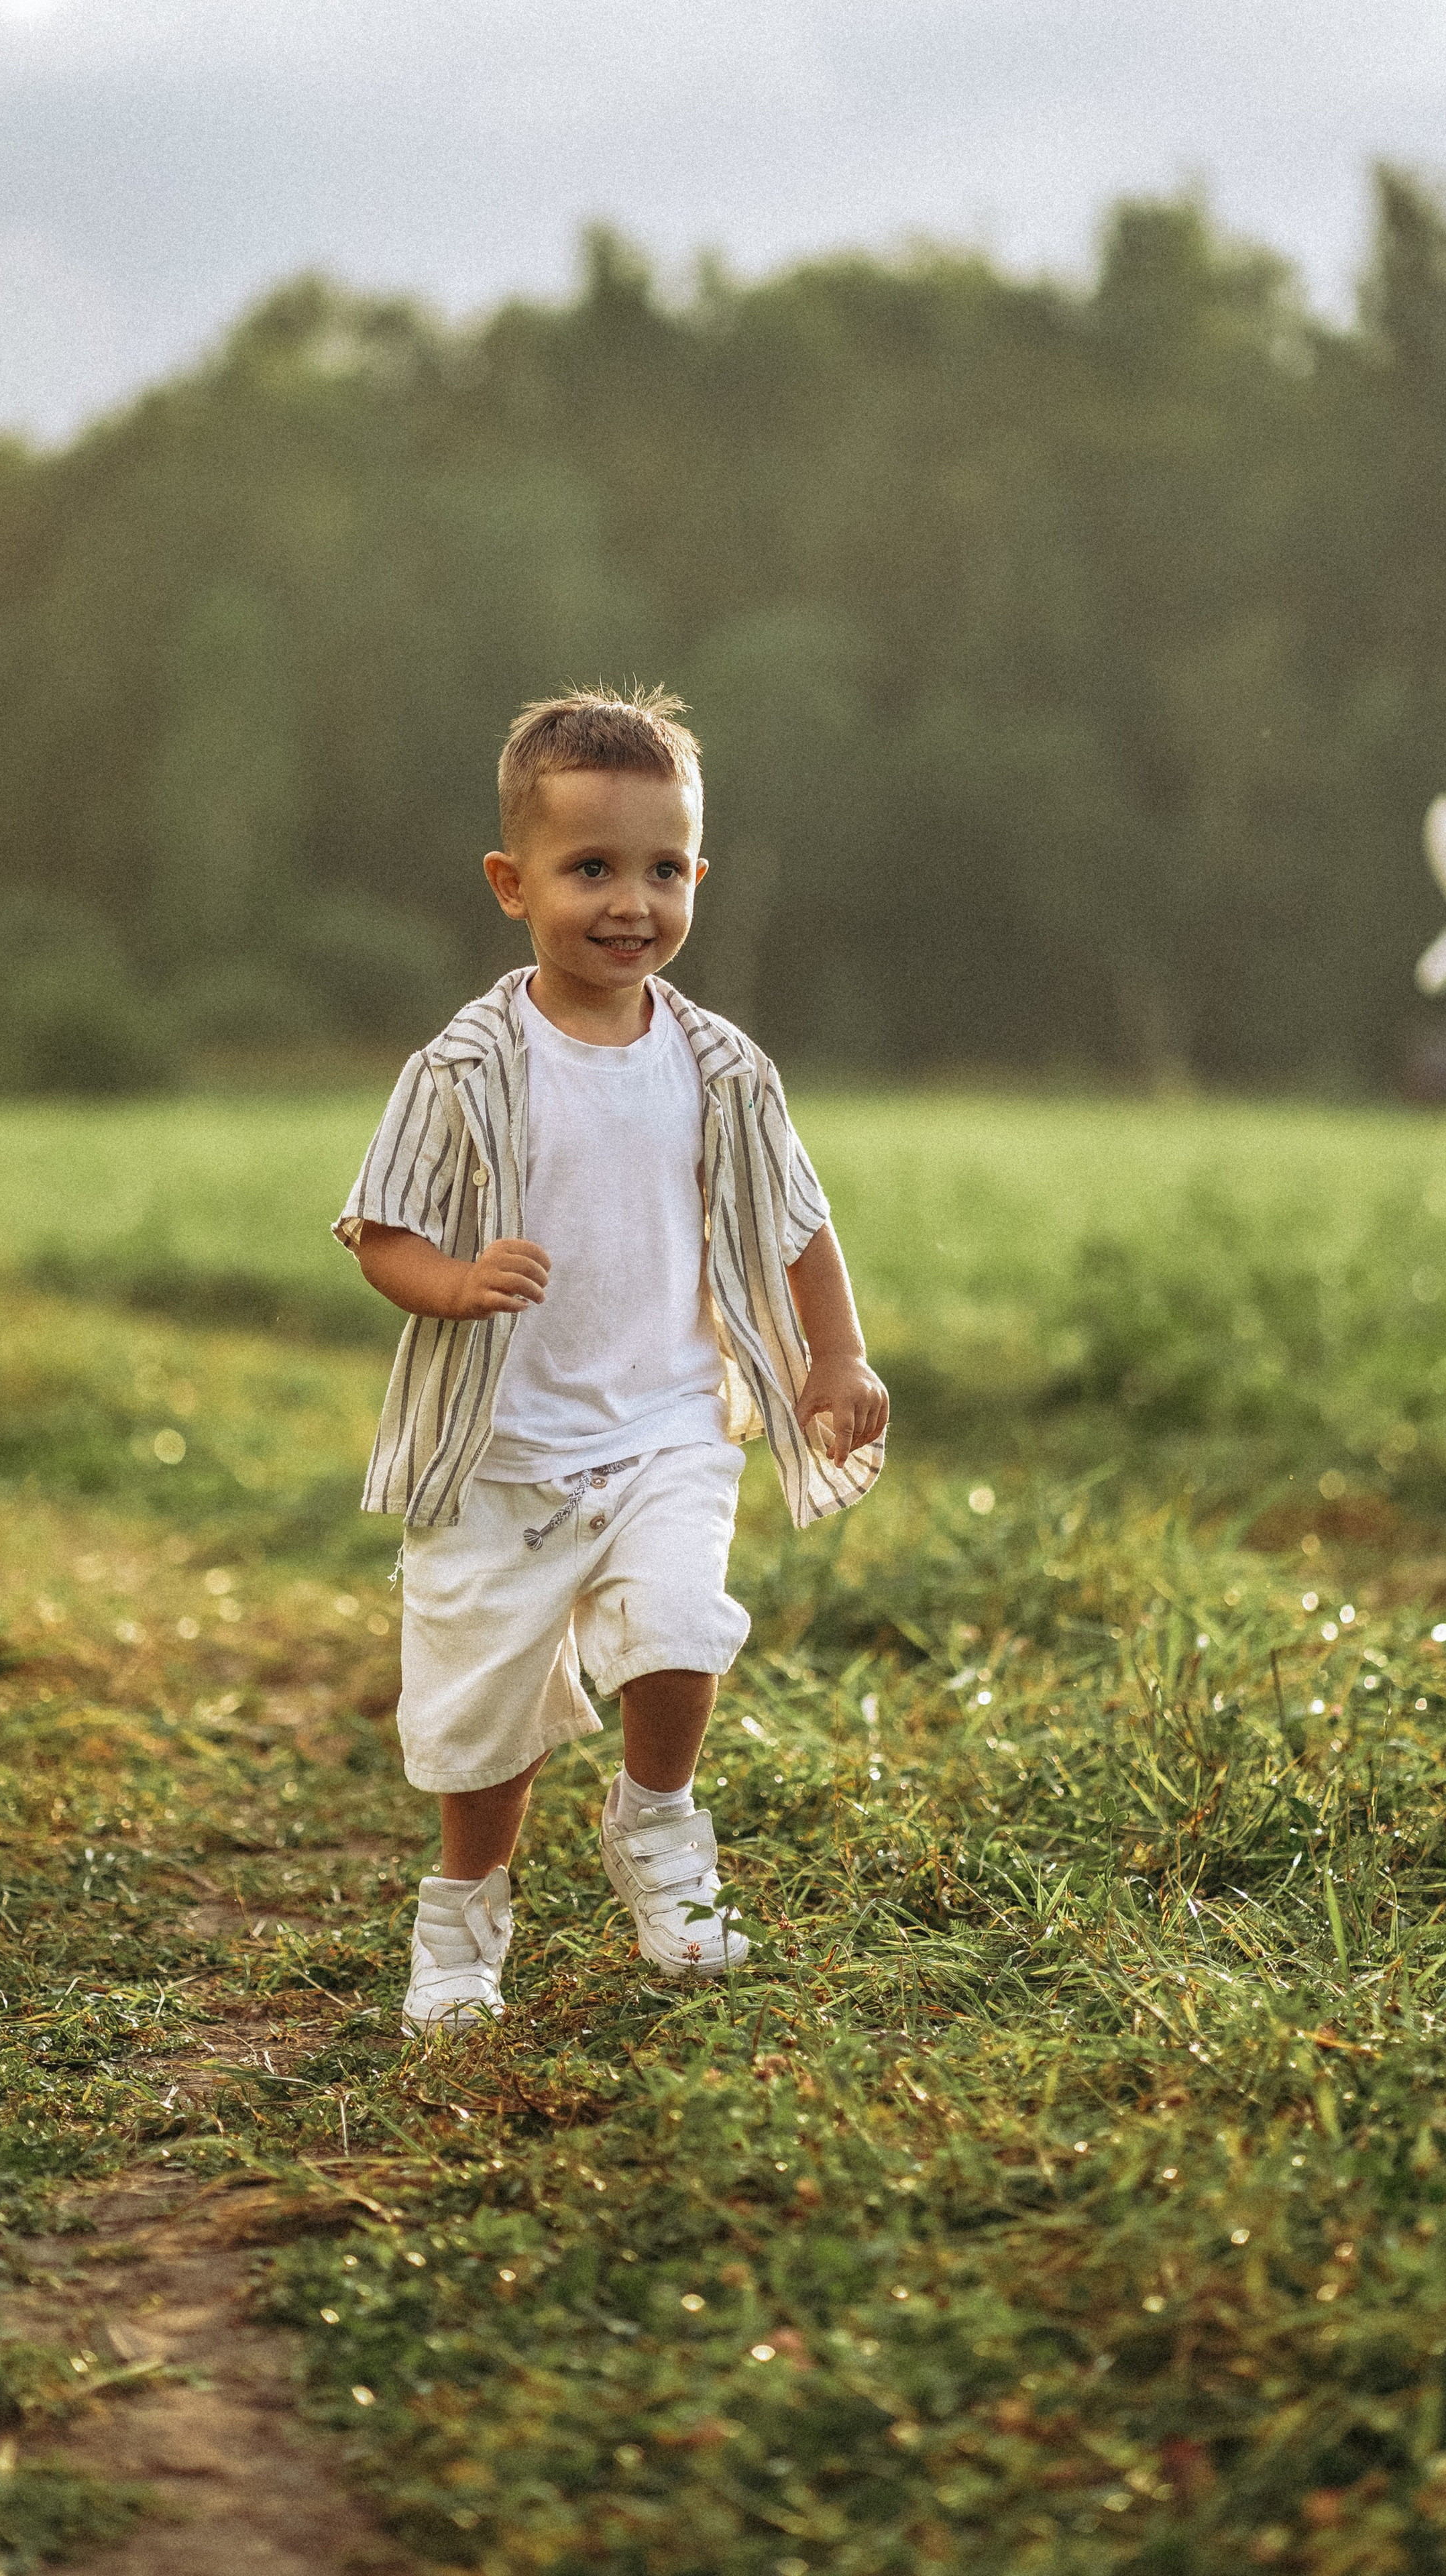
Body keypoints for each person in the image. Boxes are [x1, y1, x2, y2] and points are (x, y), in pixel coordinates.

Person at [334, 687, 887, 2029]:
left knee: (679, 1624)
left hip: (667, 1428)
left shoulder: (723, 1069)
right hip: (501, 1451)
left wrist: (836, 1360)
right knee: (487, 1716)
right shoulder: (463, 1066)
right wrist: (455, 1286)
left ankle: (657, 1822)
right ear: (510, 883)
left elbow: (795, 1223)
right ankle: (464, 1915)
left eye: (659, 869)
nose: (627, 901)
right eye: (589, 869)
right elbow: (380, 1231)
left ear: (695, 875)